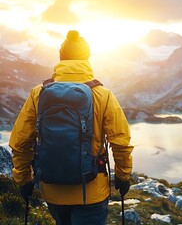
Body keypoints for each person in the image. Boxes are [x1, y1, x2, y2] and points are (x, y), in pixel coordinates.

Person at [9, 30, 133, 225]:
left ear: (61, 57)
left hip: (53, 190)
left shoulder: (38, 93)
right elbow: (121, 141)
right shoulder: (102, 94)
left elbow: (20, 142)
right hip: (91, 192)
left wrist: (23, 180)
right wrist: (123, 176)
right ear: (87, 57)